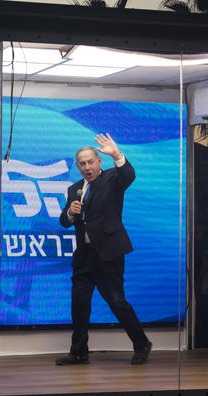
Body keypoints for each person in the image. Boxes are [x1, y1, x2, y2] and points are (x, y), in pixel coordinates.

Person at [56, 133, 152, 365]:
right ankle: (79, 351)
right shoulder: (74, 189)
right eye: (82, 163)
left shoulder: (112, 179)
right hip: (84, 256)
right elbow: (64, 221)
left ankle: (141, 344)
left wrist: (117, 154)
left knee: (117, 301)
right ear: (77, 166)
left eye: (91, 161)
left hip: (109, 253)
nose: (87, 167)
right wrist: (71, 212)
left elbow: (129, 175)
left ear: (99, 161)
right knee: (79, 304)